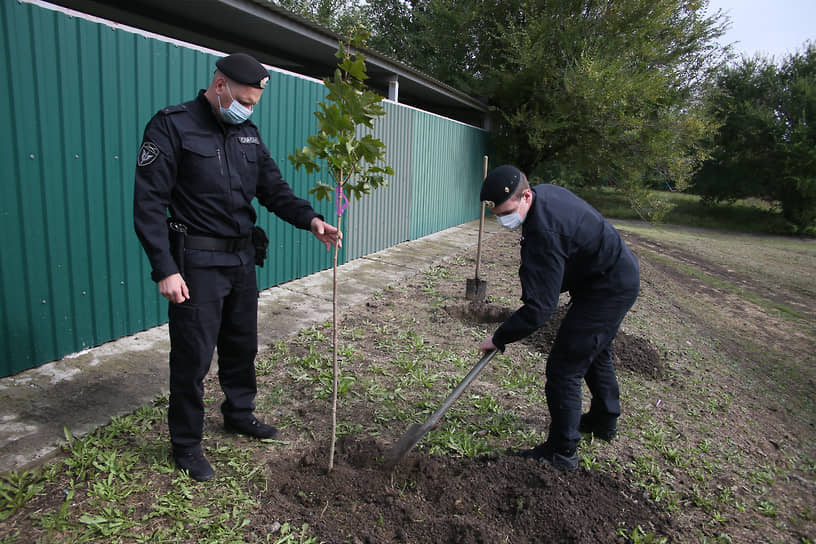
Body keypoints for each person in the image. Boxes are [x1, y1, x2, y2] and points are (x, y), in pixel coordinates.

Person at [133, 52, 341, 481]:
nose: (246, 108)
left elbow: (274, 188)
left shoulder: (247, 132)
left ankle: (239, 412)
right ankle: (187, 444)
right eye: (243, 99)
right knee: (193, 356)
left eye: (253, 102)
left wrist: (311, 219)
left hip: (242, 258)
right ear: (220, 84)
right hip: (196, 262)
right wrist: (164, 268)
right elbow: (149, 204)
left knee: (241, 344)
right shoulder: (171, 125)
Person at [477, 165, 639, 471]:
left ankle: (561, 453)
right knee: (594, 349)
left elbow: (540, 309)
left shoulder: (544, 231)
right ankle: (604, 421)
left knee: (565, 368)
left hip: (608, 287)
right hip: (609, 276)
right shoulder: (544, 195)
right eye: (497, 214)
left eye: (507, 212)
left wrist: (499, 337)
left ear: (525, 195)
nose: (503, 220)